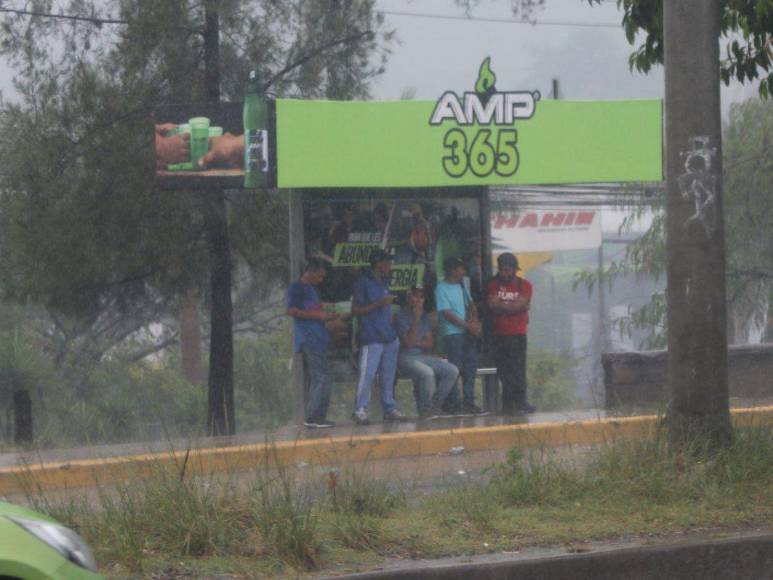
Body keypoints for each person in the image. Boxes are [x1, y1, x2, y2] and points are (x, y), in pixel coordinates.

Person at [286, 258, 343, 428]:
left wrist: (330, 314)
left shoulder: (313, 290)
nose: (321, 280)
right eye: (319, 276)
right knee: (320, 376)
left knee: (325, 376)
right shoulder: (297, 288)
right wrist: (317, 316)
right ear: (310, 271)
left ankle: (319, 416)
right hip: (309, 338)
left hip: (319, 337)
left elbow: (316, 310)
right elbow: (291, 310)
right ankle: (312, 417)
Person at [351, 249, 404, 425]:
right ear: (378, 263)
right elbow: (355, 310)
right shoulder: (363, 283)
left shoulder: (385, 281)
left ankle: (389, 408)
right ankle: (360, 409)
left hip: (388, 336)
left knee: (388, 375)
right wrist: (378, 304)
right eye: (387, 262)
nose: (390, 266)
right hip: (371, 336)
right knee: (367, 374)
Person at [394, 286, 459, 418]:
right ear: (408, 297)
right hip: (404, 358)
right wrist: (416, 320)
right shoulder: (400, 316)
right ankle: (425, 411)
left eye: (421, 297)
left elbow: (430, 342)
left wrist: (417, 340)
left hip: (422, 356)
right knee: (427, 373)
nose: (419, 300)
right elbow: (408, 343)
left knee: (452, 370)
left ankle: (434, 407)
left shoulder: (423, 316)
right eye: (415, 296)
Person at [435, 256, 486, 415]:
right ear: (451, 270)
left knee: (470, 367)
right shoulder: (441, 288)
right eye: (459, 269)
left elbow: (470, 305)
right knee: (454, 369)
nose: (462, 272)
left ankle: (469, 402)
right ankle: (453, 403)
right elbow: (446, 312)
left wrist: (475, 320)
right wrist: (467, 326)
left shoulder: (462, 286)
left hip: (467, 333)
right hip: (453, 334)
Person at [487, 253, 536, 415]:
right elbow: (494, 305)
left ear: (514, 270)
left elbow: (517, 305)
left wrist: (503, 307)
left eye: (507, 270)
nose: (504, 273)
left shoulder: (525, 285)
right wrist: (515, 307)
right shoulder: (493, 284)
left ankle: (521, 402)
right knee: (504, 371)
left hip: (518, 334)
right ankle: (507, 405)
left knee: (518, 370)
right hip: (498, 335)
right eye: (501, 270)